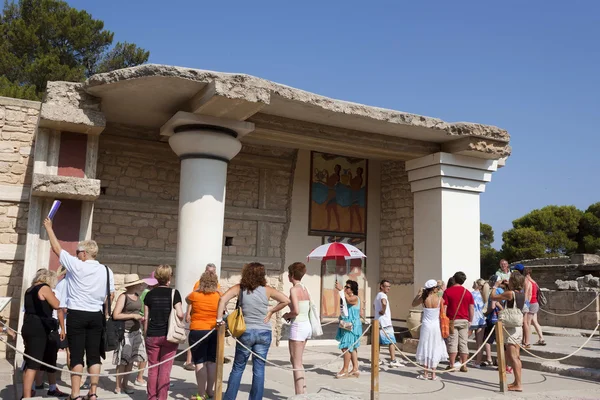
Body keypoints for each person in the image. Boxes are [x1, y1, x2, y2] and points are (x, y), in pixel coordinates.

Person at [44, 218, 115, 400]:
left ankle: (75, 394)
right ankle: (93, 393)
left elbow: (57, 248)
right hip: (96, 315)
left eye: (77, 252)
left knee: (76, 355)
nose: (76, 255)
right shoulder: (107, 270)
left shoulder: (76, 266)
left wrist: (49, 228)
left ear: (84, 253)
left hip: (77, 314)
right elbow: (111, 295)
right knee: (94, 355)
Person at [217, 262, 290, 400]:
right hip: (264, 332)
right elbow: (286, 300)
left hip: (246, 331)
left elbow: (222, 299)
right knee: (259, 368)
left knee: (238, 367)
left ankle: (230, 398)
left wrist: (219, 320)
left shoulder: (240, 288)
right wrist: (271, 311)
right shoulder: (267, 290)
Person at [144, 265, 184, 400]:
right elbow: (179, 314)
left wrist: (145, 335)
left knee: (153, 368)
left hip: (152, 334)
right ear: (169, 277)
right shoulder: (174, 293)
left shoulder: (149, 295)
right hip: (169, 335)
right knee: (165, 370)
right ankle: (162, 397)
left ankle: (152, 397)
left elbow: (146, 318)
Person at [21, 269, 61, 398]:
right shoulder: (44, 288)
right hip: (38, 327)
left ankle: (27, 392)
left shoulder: (29, 289)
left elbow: (27, 310)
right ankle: (27, 396)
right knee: (33, 364)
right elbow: (56, 304)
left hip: (28, 324)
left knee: (29, 361)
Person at [186, 271, 221, 400]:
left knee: (199, 362)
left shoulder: (195, 295)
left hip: (197, 329)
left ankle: (200, 394)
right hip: (213, 330)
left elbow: (187, 299)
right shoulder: (219, 295)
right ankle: (210, 391)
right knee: (211, 362)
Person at [112, 274, 147, 395]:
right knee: (122, 360)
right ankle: (118, 386)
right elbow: (116, 315)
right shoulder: (123, 297)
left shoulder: (137, 296)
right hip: (125, 332)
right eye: (138, 283)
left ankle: (125, 384)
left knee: (132, 359)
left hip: (136, 331)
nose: (140, 284)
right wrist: (132, 315)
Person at [491, 272, 526, 392]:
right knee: (516, 356)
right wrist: (506, 286)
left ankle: (519, 384)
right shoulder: (521, 294)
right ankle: (517, 381)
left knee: (512, 357)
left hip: (511, 327)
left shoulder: (510, 294)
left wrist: (495, 286)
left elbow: (493, 297)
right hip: (517, 326)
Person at [282, 262, 312, 394]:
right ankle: (302, 392)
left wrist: (287, 315)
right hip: (306, 325)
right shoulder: (305, 288)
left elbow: (296, 310)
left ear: (292, 275)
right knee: (298, 361)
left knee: (296, 363)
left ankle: (300, 395)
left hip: (298, 325)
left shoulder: (294, 290)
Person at [185, 263, 220, 371]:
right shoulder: (199, 285)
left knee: (202, 360)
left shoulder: (217, 288)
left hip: (203, 326)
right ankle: (188, 361)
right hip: (208, 325)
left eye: (212, 272)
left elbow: (189, 298)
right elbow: (190, 301)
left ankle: (202, 388)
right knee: (208, 360)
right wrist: (188, 314)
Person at [415, 279, 448, 380]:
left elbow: (413, 303)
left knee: (425, 346)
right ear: (434, 288)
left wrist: (419, 294)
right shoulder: (439, 297)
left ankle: (425, 373)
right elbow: (444, 308)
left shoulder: (424, 298)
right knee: (435, 347)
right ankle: (433, 374)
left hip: (426, 325)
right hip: (435, 325)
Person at [442, 271, 474, 372]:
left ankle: (451, 364)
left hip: (452, 320)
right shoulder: (467, 293)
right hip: (464, 320)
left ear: (454, 279)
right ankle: (463, 365)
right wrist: (470, 320)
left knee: (452, 342)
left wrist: (443, 319)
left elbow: (445, 307)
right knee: (463, 343)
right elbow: (471, 308)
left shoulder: (447, 292)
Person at [334, 279, 363, 379]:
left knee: (346, 347)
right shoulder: (346, 296)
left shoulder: (354, 298)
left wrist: (341, 290)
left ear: (352, 289)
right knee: (352, 348)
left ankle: (345, 369)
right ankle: (355, 368)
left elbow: (349, 301)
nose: (346, 288)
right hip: (346, 324)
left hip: (352, 325)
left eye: (347, 287)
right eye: (345, 287)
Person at [134, 271, 158, 387]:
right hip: (147, 323)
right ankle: (140, 377)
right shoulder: (147, 292)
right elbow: (143, 308)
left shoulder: (148, 292)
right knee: (145, 353)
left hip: (150, 323)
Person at [373, 279, 404, 368]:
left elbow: (374, 306)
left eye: (389, 286)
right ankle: (393, 360)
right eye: (387, 286)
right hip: (385, 323)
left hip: (378, 322)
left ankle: (376, 359)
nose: (389, 288)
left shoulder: (377, 296)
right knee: (391, 342)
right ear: (382, 286)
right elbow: (384, 302)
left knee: (377, 342)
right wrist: (383, 310)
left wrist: (378, 312)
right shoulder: (382, 295)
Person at [523, 267, 546, 346]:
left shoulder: (527, 281)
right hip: (535, 302)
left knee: (528, 322)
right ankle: (541, 338)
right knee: (535, 322)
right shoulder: (534, 282)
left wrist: (526, 304)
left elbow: (528, 294)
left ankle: (527, 341)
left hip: (531, 303)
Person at [469, 279, 487, 367]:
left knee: (464, 339)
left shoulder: (471, 294)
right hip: (481, 318)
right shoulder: (484, 295)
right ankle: (478, 361)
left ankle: (463, 358)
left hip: (473, 318)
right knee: (480, 342)